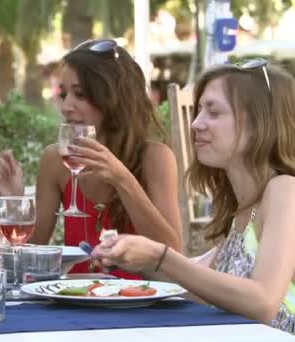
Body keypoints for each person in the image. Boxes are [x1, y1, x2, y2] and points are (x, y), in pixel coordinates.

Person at [91, 61, 295, 333]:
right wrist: (136, 256)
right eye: (199, 111)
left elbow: (263, 301)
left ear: (258, 124)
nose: (196, 124)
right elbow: (199, 284)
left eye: (213, 112)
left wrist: (160, 256)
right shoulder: (240, 207)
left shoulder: (285, 190)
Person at [0, 39, 182, 279]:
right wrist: (14, 201)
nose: (66, 106)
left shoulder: (154, 158)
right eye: (64, 94)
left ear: (113, 98)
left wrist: (122, 179)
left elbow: (175, 256)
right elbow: (32, 254)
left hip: (140, 305)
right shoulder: (55, 161)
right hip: (74, 302)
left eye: (80, 94)